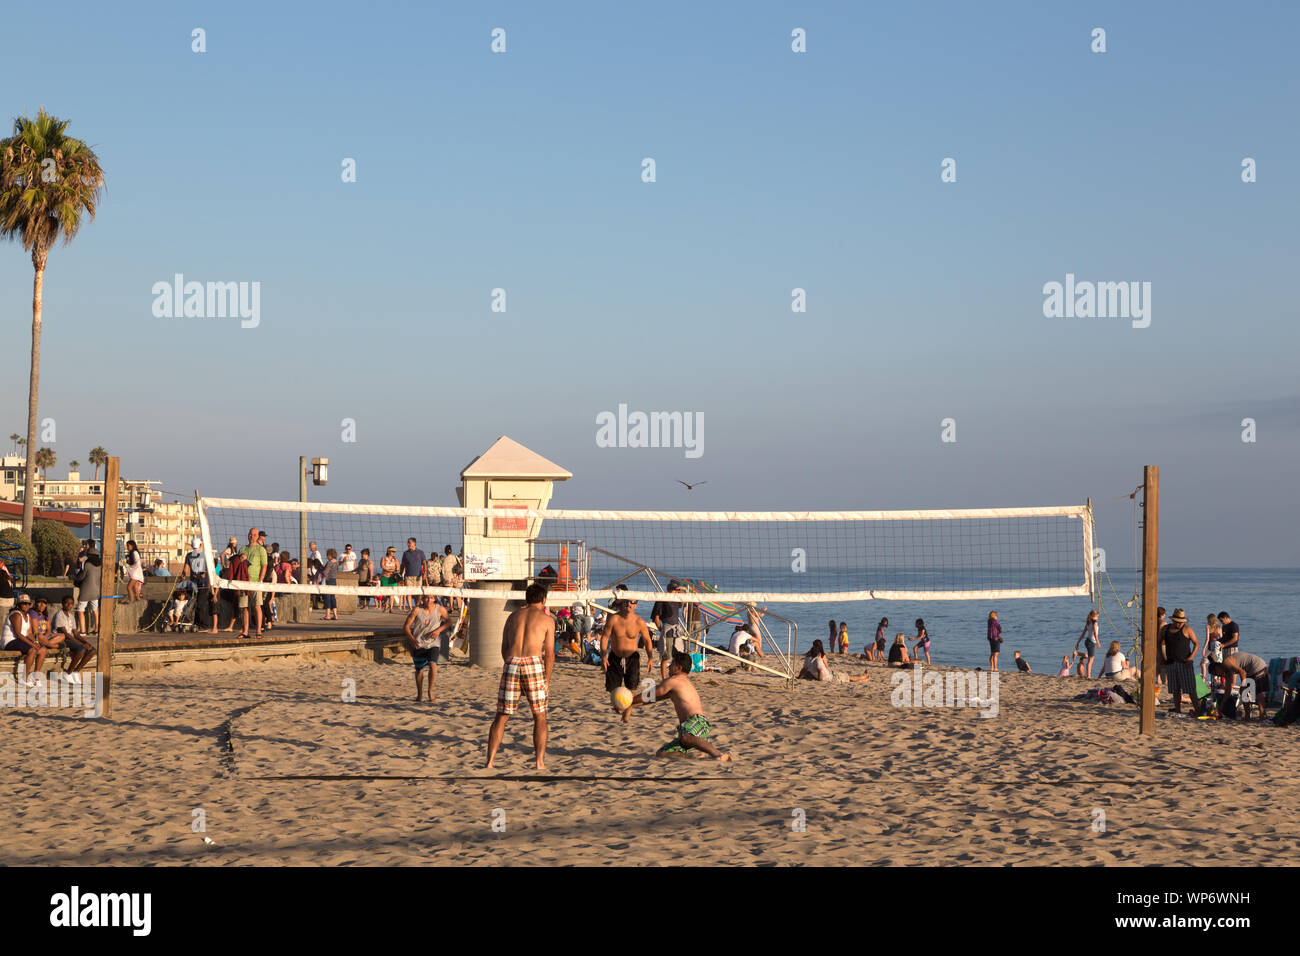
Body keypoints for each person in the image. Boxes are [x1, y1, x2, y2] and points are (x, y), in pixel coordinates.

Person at [485, 583, 555, 770]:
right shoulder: (547, 620)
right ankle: (539, 763)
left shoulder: (512, 617)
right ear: (543, 600)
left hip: (512, 662)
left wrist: (511, 666)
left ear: (526, 598)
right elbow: (549, 654)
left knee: (501, 716)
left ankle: (490, 761)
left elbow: (504, 648)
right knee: (540, 716)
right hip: (533, 663)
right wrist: (546, 681)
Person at [621, 650, 732, 762]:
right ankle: (693, 757)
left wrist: (629, 701)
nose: (669, 667)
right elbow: (651, 699)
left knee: (686, 737)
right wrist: (630, 704)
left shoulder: (674, 680)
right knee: (662, 753)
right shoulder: (680, 683)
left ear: (678, 668)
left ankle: (718, 755)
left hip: (696, 722)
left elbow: (651, 693)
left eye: (671, 664)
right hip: (690, 728)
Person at [601, 588, 654, 713]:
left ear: (636, 605)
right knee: (613, 688)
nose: (629, 604)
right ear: (623, 602)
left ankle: (627, 713)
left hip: (632, 657)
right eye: (627, 602)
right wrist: (603, 656)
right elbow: (604, 637)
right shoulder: (614, 619)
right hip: (615, 656)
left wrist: (651, 657)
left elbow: (647, 641)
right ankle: (618, 708)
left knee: (632, 687)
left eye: (633, 602)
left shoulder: (639, 622)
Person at [405, 595, 452, 703]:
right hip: (418, 642)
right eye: (426, 598)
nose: (429, 600)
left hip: (433, 643)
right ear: (422, 599)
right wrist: (411, 639)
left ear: (434, 599)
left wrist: (438, 630)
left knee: (433, 664)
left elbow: (449, 621)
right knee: (419, 669)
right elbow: (406, 626)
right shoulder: (417, 610)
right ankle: (419, 694)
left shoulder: (440, 609)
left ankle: (431, 692)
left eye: (431, 598)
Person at [1160, 609, 1201, 714]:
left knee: (1191, 688)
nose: (1180, 623)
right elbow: (1159, 642)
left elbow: (1196, 644)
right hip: (1171, 662)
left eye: (1181, 622)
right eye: (1177, 621)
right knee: (1175, 689)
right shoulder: (1166, 629)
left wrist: (1191, 658)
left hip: (1185, 663)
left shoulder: (1187, 630)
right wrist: (1162, 657)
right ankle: (1178, 710)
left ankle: (1198, 710)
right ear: (1173, 620)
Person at [52, 594, 95, 682]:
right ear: (62, 603)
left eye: (71, 603)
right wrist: (82, 644)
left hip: (70, 638)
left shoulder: (71, 616)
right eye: (67, 603)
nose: (69, 605)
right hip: (61, 638)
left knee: (92, 650)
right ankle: (67, 673)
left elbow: (76, 633)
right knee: (81, 649)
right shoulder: (59, 615)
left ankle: (75, 672)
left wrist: (86, 642)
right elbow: (66, 634)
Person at [2, 594, 42, 686]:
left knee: (42, 650)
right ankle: (24, 678)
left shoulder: (27, 616)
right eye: (23, 603)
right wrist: (32, 645)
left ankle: (35, 677)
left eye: (28, 604)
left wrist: (36, 642)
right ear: (18, 604)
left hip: (19, 641)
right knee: (32, 650)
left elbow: (29, 633)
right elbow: (18, 634)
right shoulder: (16, 614)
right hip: (9, 641)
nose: (26, 605)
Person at [650, 580, 686, 680]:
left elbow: (685, 601)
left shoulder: (676, 599)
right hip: (668, 629)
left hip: (676, 629)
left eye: (676, 590)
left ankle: (675, 676)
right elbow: (656, 617)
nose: (676, 592)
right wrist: (661, 629)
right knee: (666, 657)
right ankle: (664, 678)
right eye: (675, 589)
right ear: (669, 589)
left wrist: (685, 590)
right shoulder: (662, 599)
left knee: (678, 654)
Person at [238, 527, 268, 639]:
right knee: (245, 607)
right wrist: (241, 559)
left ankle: (258, 631)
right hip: (243, 582)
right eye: (250, 534)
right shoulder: (242, 549)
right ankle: (245, 632)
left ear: (258, 536)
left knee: (257, 606)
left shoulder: (261, 550)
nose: (252, 536)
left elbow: (264, 565)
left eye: (254, 534)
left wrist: (261, 579)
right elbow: (237, 564)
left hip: (255, 582)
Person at [799, 639, 870, 683]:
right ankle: (863, 678)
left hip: (829, 673)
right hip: (829, 674)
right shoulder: (820, 658)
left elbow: (806, 669)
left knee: (848, 677)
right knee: (848, 677)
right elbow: (823, 668)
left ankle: (863, 677)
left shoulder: (811, 657)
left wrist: (800, 677)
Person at [74, 543, 102, 636]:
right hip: (96, 591)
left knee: (80, 610)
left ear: (89, 555)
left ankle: (83, 631)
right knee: (95, 609)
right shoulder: (100, 565)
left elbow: (82, 576)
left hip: (86, 591)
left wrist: (76, 577)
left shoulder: (87, 564)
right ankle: (97, 629)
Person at [400, 538, 425, 612]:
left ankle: (417, 607)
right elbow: (403, 564)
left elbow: (424, 563)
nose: (408, 544)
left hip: (418, 576)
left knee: (419, 593)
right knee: (409, 592)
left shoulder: (420, 552)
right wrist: (401, 574)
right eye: (408, 543)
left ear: (414, 544)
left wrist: (425, 573)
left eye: (409, 543)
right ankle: (411, 608)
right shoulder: (405, 553)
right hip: (408, 576)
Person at [1074, 610, 1099, 679]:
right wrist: (1098, 642)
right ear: (1095, 616)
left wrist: (1078, 642)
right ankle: (1088, 675)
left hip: (1087, 641)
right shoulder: (1095, 622)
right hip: (1091, 642)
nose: (1098, 618)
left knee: (1089, 658)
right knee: (1090, 661)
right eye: (1097, 616)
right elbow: (1095, 633)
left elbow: (1083, 633)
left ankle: (1078, 653)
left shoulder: (1088, 622)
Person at [321, 548, 340, 621]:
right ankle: (335, 615)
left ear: (330, 555)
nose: (327, 556)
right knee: (333, 597)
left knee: (327, 597)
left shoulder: (329, 563)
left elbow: (325, 572)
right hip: (334, 580)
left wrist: (322, 572)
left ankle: (327, 615)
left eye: (327, 555)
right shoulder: (336, 563)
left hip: (328, 580)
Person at [1201, 614, 1222, 680]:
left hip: (1211, 648)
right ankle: (1217, 681)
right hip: (1218, 648)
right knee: (1216, 665)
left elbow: (1207, 639)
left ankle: (1203, 679)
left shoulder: (1208, 627)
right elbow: (1221, 638)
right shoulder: (1219, 627)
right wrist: (1221, 649)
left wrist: (1204, 649)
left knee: (1202, 663)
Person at [380, 546, 400, 612]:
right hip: (385, 577)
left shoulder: (395, 559)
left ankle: (391, 608)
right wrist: (391, 569)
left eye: (394, 552)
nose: (393, 553)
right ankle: (386, 605)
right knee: (385, 593)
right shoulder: (384, 558)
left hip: (392, 578)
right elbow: (382, 566)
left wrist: (389, 568)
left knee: (392, 593)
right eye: (392, 551)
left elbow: (398, 568)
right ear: (388, 551)